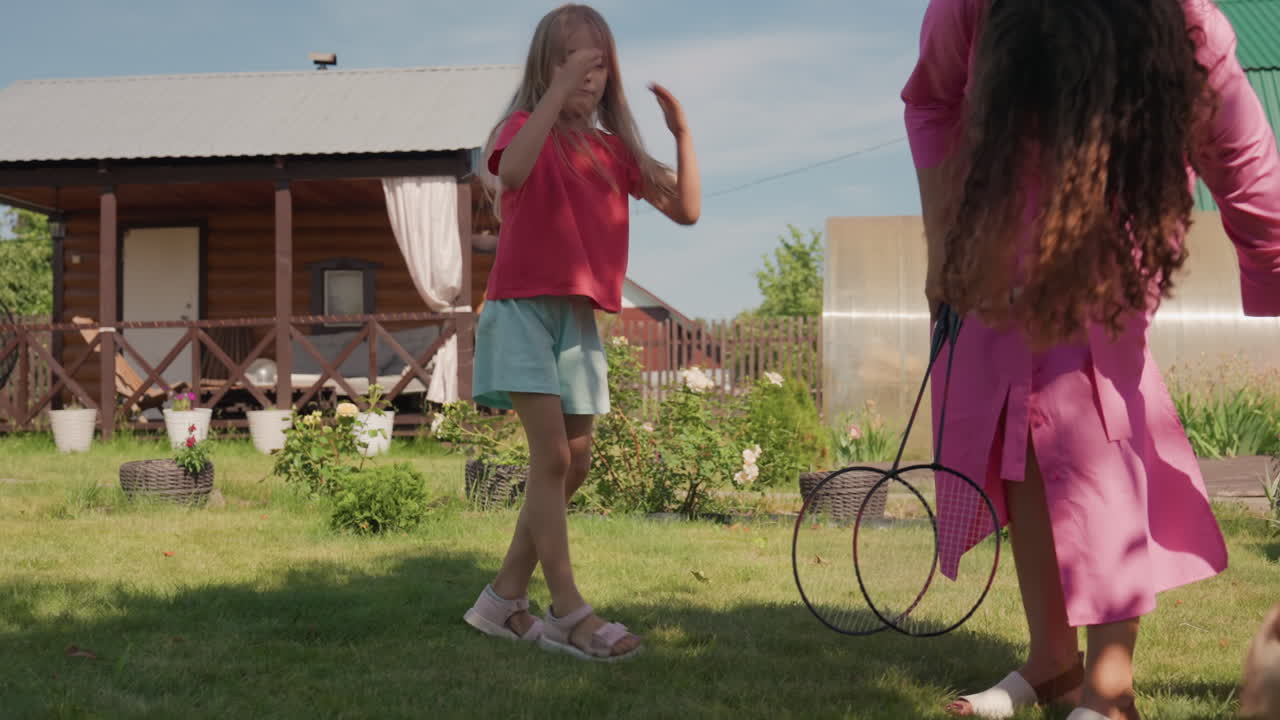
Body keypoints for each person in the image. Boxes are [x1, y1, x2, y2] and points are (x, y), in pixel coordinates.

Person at [901, 0, 1280, 717]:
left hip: (1110, 247)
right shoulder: (969, 5)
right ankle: (1052, 663)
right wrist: (942, 248)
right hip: (995, 246)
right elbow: (929, 102)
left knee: (1092, 420)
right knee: (1020, 429)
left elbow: (1247, 165)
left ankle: (1108, 689)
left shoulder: (1184, 21)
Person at [461, 3, 700, 661]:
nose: (588, 73)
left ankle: (502, 597)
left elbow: (687, 210)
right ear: (548, 64)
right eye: (573, 59)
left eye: (598, 61)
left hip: (575, 316)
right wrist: (556, 94)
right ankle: (569, 612)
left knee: (579, 459)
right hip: (519, 309)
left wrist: (680, 134)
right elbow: (510, 173)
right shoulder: (518, 129)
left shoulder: (614, 150)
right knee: (553, 459)